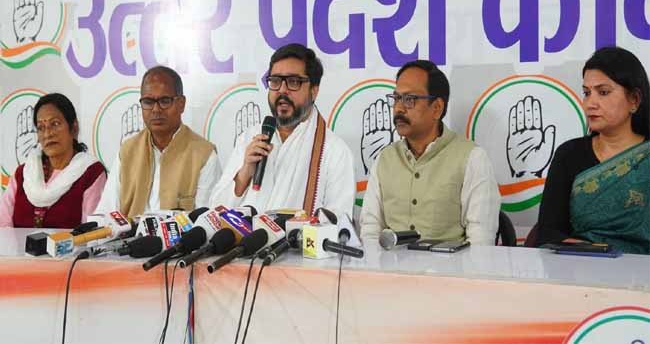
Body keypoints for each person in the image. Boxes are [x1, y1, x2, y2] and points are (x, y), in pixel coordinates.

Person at [360, 60, 500, 244]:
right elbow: (370, 231)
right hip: (390, 262)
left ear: (437, 108)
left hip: (450, 263)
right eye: (396, 99)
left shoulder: (472, 158)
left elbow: (480, 242)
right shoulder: (385, 159)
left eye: (409, 99)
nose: (399, 108)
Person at [210, 44, 355, 217]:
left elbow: (338, 222)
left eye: (293, 82)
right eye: (275, 81)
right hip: (246, 235)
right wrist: (245, 173)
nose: (282, 90)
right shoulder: (250, 138)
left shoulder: (334, 151)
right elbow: (215, 210)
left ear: (314, 91)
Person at [536, 47, 649, 254]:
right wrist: (593, 252)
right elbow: (547, 232)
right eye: (587, 93)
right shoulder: (569, 154)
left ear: (634, 100)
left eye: (603, 92)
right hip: (582, 264)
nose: (590, 103)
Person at [95, 66, 221, 218]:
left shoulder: (204, 154)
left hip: (181, 234)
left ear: (181, 104)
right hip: (130, 233)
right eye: (148, 102)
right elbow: (107, 213)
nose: (156, 109)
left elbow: (206, 219)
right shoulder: (128, 151)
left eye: (164, 101)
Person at [0, 93, 106, 228]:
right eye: (41, 127)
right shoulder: (23, 174)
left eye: (55, 124)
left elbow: (93, 231)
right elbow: (3, 225)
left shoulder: (90, 173)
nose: (47, 134)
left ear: (74, 128)